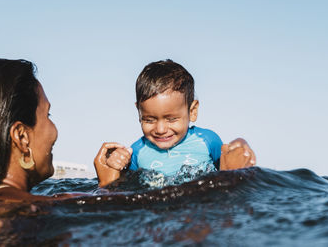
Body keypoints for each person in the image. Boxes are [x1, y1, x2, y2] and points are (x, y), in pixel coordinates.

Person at [94, 59, 256, 187]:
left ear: (192, 111)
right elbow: (126, 192)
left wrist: (241, 145)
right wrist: (113, 174)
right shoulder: (136, 151)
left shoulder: (207, 140)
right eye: (149, 119)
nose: (160, 129)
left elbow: (228, 170)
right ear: (139, 113)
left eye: (171, 119)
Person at [0, 59, 68, 200]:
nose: (55, 130)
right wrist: (105, 186)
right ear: (22, 137)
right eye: (47, 115)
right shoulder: (47, 206)